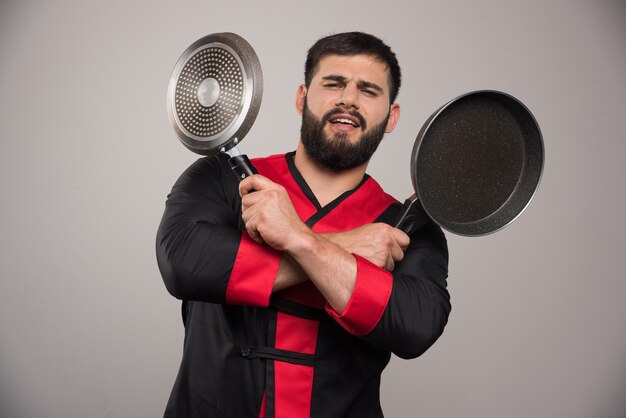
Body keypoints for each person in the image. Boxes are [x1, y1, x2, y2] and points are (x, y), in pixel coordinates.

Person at [156, 31, 450, 418]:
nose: (348, 98)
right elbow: (184, 263)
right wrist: (339, 247)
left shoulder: (406, 227)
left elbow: (415, 325)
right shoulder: (221, 178)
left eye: (368, 90)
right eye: (333, 84)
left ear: (391, 117)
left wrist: (299, 238)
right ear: (301, 98)